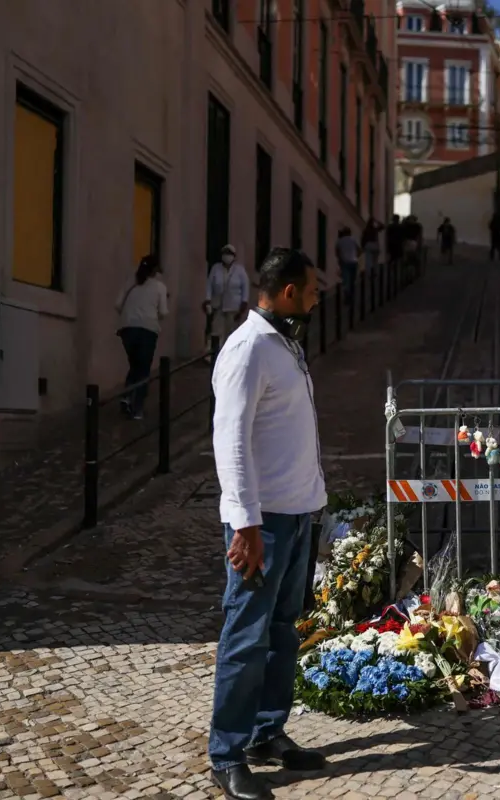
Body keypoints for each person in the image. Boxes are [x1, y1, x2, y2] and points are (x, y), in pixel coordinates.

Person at [209, 247, 327, 800]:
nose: (317, 296)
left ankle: (265, 733)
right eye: (311, 288)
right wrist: (245, 525)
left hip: (299, 515)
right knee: (245, 635)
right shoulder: (249, 348)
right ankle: (227, 754)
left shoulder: (285, 344)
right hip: (265, 524)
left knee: (282, 632)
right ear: (287, 293)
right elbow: (229, 440)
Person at [114, 255, 168, 420]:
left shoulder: (131, 283)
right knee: (143, 368)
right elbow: (164, 312)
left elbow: (117, 304)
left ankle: (126, 396)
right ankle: (138, 408)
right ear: (155, 271)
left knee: (135, 364)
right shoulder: (160, 287)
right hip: (147, 329)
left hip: (127, 328)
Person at [205, 245, 251, 351]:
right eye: (225, 254)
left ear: (234, 256)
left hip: (234, 306)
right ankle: (214, 353)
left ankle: (231, 352)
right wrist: (208, 300)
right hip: (218, 305)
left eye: (229, 254)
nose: (227, 256)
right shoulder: (216, 268)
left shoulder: (239, 270)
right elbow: (209, 285)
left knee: (231, 331)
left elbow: (245, 286)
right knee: (216, 330)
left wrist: (244, 302)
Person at [335, 226, 360, 318]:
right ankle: (351, 297)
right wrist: (356, 256)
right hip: (354, 261)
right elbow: (359, 249)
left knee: (346, 280)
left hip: (345, 262)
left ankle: (347, 297)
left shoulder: (340, 241)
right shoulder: (353, 240)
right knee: (352, 280)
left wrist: (340, 259)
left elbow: (337, 252)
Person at [361, 218, 381, 292]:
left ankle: (369, 274)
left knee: (368, 261)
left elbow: (363, 239)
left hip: (368, 245)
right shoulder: (375, 229)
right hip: (375, 245)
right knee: (375, 260)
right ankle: (375, 272)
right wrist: (377, 221)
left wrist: (363, 247)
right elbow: (383, 226)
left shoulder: (366, 230)